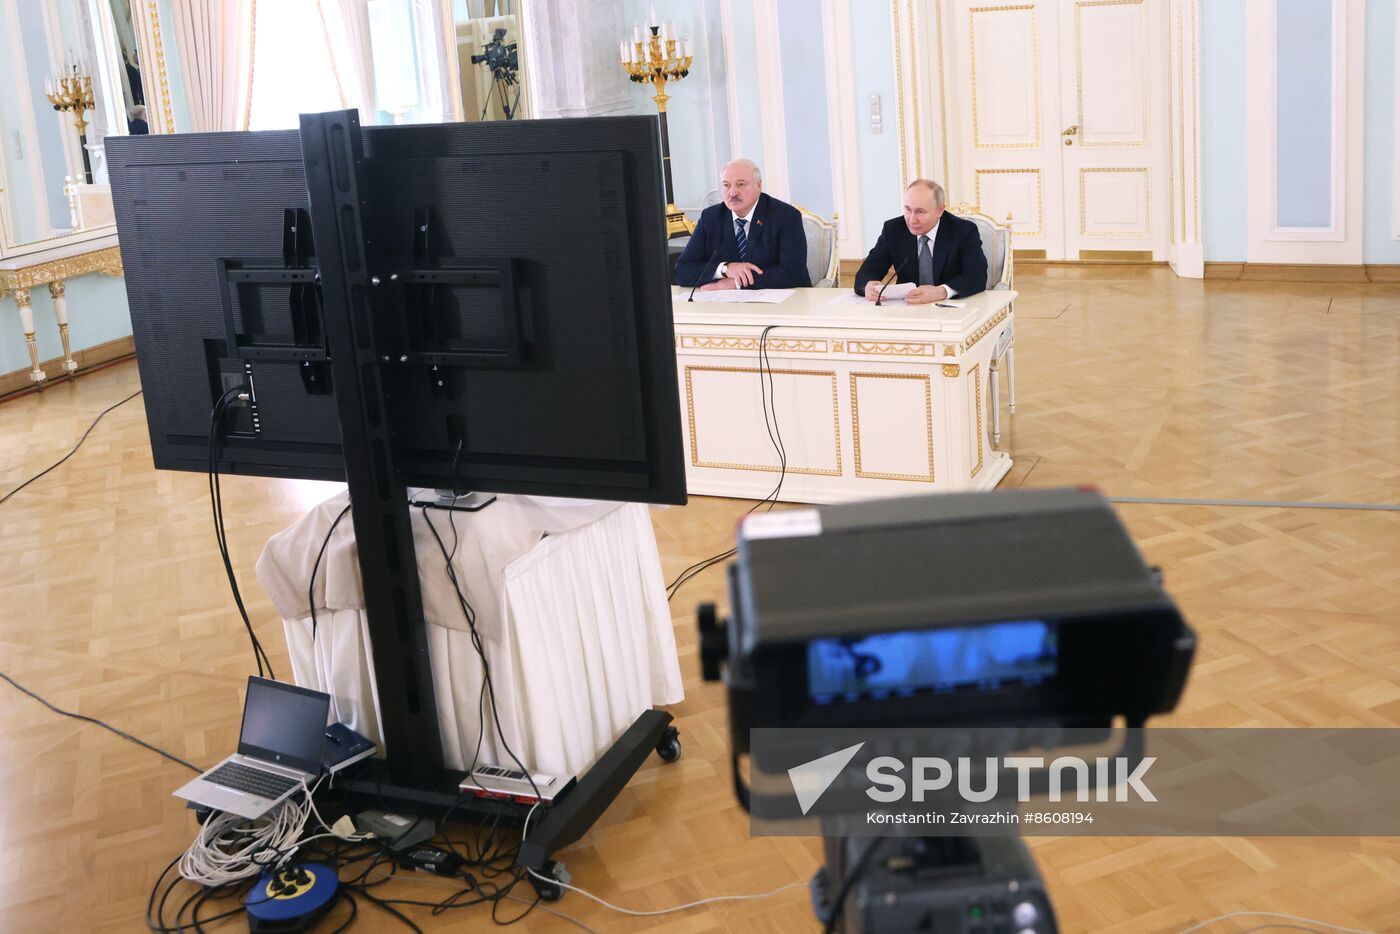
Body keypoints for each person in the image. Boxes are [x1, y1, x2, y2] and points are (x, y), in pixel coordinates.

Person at [674, 158, 811, 291]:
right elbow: (682, 271)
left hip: (785, 304)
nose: (732, 193)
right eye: (726, 185)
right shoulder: (711, 218)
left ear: (758, 185)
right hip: (725, 306)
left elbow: (793, 273)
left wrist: (736, 283)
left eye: (741, 184)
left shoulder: (786, 216)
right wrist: (725, 269)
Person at [854, 179, 987, 304]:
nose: (912, 220)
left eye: (920, 212)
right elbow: (867, 272)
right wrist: (868, 286)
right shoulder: (893, 229)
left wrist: (941, 291)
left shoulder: (963, 231)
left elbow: (977, 276)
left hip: (951, 308)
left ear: (939, 210)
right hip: (908, 309)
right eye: (908, 209)